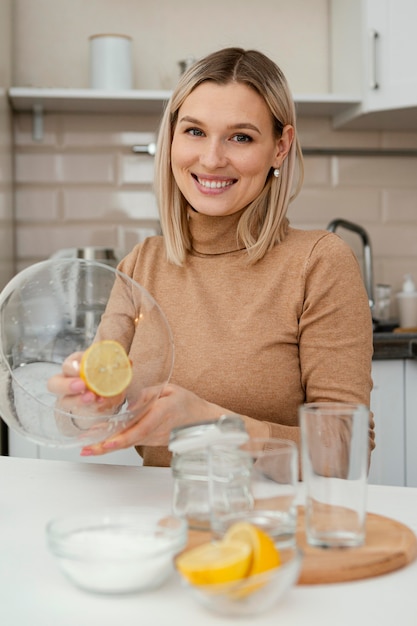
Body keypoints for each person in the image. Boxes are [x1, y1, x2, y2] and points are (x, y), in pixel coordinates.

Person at [48, 47, 374, 466]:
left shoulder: (319, 263)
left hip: (272, 524)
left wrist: (217, 426)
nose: (212, 158)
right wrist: (83, 404)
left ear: (280, 147)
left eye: (241, 137)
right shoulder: (141, 264)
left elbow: (346, 449)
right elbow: (82, 419)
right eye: (194, 131)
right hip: (165, 519)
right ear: (171, 138)